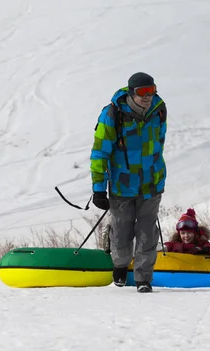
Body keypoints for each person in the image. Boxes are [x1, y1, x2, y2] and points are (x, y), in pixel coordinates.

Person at [90, 72, 167, 293]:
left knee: (147, 232)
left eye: (152, 91)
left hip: (151, 184)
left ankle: (143, 278)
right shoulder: (113, 114)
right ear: (132, 93)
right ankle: (120, 266)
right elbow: (99, 153)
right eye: (143, 92)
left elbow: (159, 143)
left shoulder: (159, 110)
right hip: (122, 186)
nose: (148, 97)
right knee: (122, 231)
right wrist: (98, 189)